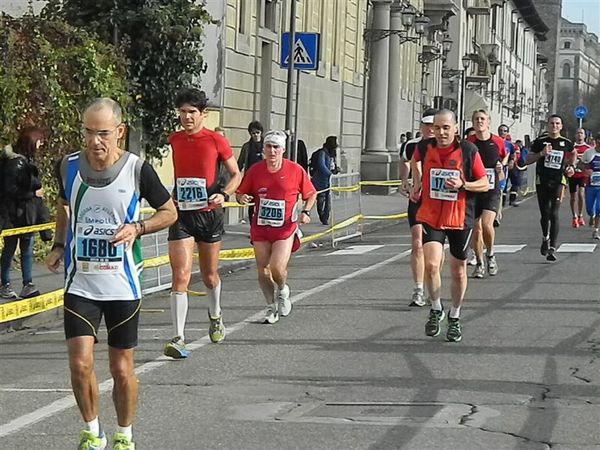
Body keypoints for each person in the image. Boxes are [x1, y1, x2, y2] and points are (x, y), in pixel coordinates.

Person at [45, 98, 177, 450]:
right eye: (88, 132)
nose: (94, 141)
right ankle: (92, 431)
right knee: (79, 363)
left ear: (119, 131)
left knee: (121, 369)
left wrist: (138, 227)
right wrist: (59, 244)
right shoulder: (68, 166)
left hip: (123, 285)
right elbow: (64, 205)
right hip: (81, 283)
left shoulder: (137, 169)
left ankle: (124, 434)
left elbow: (169, 212)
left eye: (103, 133)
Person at [164, 89, 241, 358]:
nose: (186, 117)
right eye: (183, 112)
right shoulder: (174, 140)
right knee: (180, 276)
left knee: (209, 275)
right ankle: (178, 338)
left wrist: (225, 194)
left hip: (209, 213)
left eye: (192, 112)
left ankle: (216, 314)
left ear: (203, 115)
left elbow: (235, 174)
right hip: (182, 214)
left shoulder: (216, 140)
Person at [410, 109, 488, 342]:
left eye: (446, 127)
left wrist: (463, 184)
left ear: (455, 128)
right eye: (437, 127)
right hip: (431, 214)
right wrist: (416, 185)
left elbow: (484, 183)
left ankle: (455, 315)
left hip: (459, 217)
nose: (441, 132)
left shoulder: (467, 150)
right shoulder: (424, 147)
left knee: (458, 270)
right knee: (432, 265)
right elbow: (413, 161)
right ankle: (436, 309)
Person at [236, 130, 316, 323]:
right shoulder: (255, 170)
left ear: (283, 150)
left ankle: (282, 289)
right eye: (268, 147)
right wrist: (242, 198)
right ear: (263, 149)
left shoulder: (295, 170)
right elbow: (240, 192)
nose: (272, 151)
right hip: (261, 227)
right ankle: (270, 306)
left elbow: (311, 193)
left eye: (276, 147)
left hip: (285, 228)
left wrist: (306, 212)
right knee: (262, 268)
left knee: (277, 268)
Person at [0, 126, 47, 299]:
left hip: (27, 213)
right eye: (39, 141)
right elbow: (9, 190)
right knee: (10, 248)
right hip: (14, 214)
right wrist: (32, 194)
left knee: (27, 248)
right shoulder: (16, 163)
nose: (41, 144)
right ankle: (4, 283)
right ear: (31, 142)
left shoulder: (26, 160)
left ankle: (28, 284)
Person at [399, 108, 437, 307]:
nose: (430, 129)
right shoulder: (411, 145)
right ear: (421, 126)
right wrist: (405, 180)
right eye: (426, 125)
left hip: (439, 203)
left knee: (434, 248)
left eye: (434, 125)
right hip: (418, 200)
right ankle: (418, 289)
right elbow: (405, 161)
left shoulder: (445, 146)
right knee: (417, 244)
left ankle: (433, 284)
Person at [525, 115, 575, 262]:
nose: (554, 126)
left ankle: (552, 247)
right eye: (552, 123)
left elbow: (573, 153)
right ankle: (545, 237)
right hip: (542, 181)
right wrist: (541, 154)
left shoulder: (566, 142)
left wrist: (571, 166)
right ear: (548, 126)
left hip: (559, 181)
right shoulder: (540, 142)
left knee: (554, 213)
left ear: (561, 126)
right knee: (545, 214)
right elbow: (527, 160)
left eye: (557, 123)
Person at [466, 110, 508, 278]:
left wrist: (500, 168)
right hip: (474, 189)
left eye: (482, 119)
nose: (479, 122)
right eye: (476, 119)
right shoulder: (469, 142)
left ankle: (490, 254)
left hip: (492, 188)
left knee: (486, 224)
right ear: (473, 122)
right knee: (476, 228)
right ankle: (480, 262)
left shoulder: (497, 141)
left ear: (488, 122)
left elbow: (504, 161)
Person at [310, 136, 339, 225]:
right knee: (321, 199)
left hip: (328, 181)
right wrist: (330, 174)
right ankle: (322, 215)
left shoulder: (332, 154)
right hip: (320, 180)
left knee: (328, 199)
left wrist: (336, 170)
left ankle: (325, 217)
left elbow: (333, 164)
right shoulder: (322, 153)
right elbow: (321, 165)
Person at [237, 121, 264, 221]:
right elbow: (240, 162)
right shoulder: (247, 147)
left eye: (257, 132)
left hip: (264, 179)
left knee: (263, 203)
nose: (255, 135)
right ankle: (252, 226)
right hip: (251, 179)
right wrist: (235, 176)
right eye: (253, 133)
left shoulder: (266, 146)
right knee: (251, 204)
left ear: (261, 132)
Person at [568, 128, 590, 228]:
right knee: (573, 197)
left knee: (581, 194)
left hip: (582, 175)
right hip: (573, 175)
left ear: (584, 135)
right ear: (575, 135)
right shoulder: (571, 147)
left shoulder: (588, 148)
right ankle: (574, 216)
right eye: (577, 133)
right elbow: (567, 159)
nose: (579, 135)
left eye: (581, 133)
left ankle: (581, 215)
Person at [580, 134, 600, 238]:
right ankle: (591, 215)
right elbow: (581, 163)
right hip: (590, 185)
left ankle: (596, 230)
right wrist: (585, 170)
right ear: (596, 141)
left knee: (599, 208)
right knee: (589, 208)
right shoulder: (589, 152)